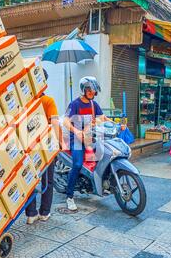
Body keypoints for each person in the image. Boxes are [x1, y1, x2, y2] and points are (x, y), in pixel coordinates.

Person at [63, 76, 111, 211]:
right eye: (89, 90)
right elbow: (65, 121)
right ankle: (70, 196)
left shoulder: (93, 105)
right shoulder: (75, 104)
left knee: (104, 157)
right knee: (77, 164)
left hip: (91, 137)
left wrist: (116, 124)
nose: (92, 93)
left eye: (94, 90)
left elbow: (102, 118)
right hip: (76, 139)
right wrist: (76, 131)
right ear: (83, 90)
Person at [26, 69, 62, 224]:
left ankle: (31, 214)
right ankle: (44, 212)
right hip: (46, 147)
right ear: (44, 83)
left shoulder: (25, 102)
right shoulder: (48, 101)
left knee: (30, 180)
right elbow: (54, 123)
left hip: (28, 146)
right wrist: (59, 143)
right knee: (48, 180)